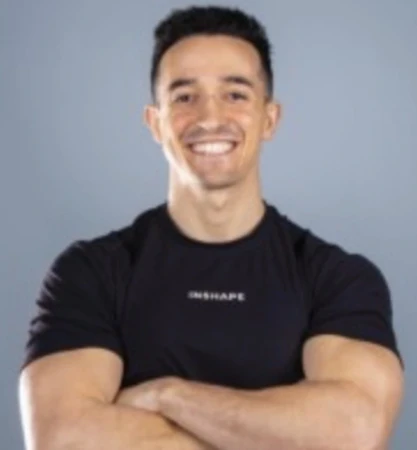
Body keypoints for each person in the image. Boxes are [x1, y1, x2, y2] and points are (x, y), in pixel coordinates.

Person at [18, 5, 404, 450]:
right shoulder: (91, 272)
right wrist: (281, 435)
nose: (209, 117)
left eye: (235, 94)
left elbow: (354, 434)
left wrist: (167, 395)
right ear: (155, 123)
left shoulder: (337, 278)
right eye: (184, 97)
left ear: (270, 119)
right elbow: (63, 439)